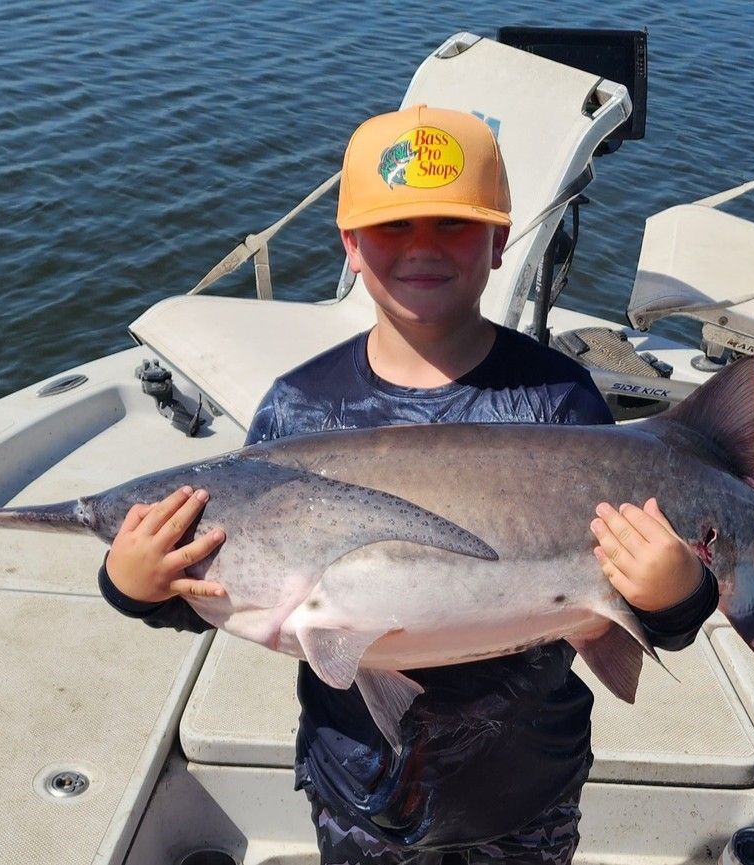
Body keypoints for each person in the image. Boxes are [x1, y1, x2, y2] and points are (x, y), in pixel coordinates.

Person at [100, 105, 718, 863]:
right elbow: (243, 583)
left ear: (498, 242)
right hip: (358, 784)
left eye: (450, 226)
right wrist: (141, 589)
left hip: (527, 784)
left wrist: (677, 596)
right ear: (350, 244)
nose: (421, 248)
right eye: (393, 227)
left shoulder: (559, 402)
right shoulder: (298, 410)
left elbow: (639, 603)